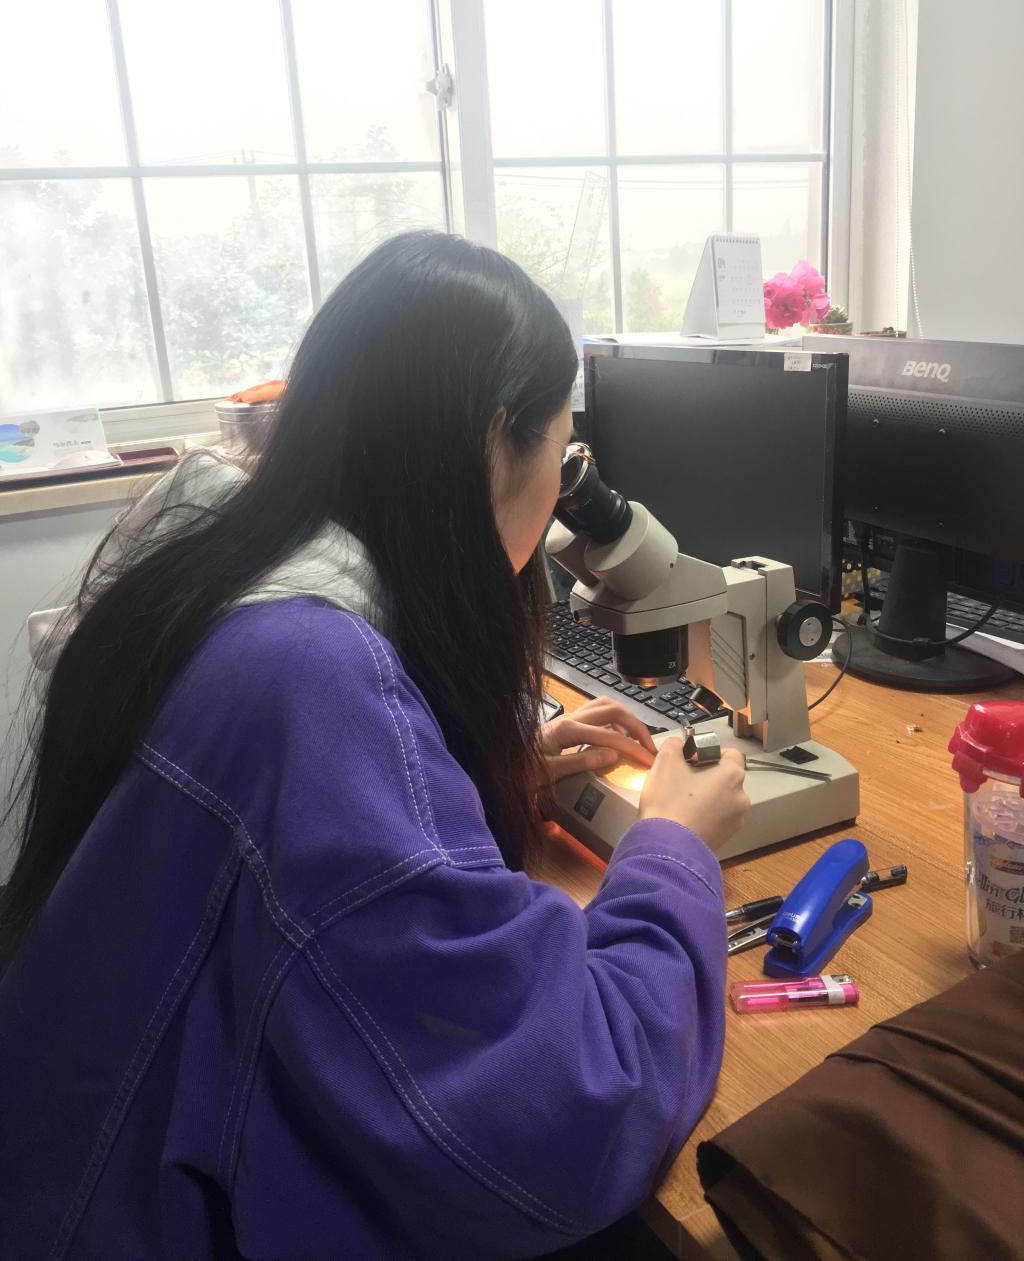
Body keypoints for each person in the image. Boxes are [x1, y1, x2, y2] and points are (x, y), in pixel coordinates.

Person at [0, 232, 749, 1260]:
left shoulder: (217, 565)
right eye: (564, 456)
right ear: (492, 442)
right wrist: (673, 847)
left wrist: (465, 771)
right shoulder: (309, 679)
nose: (564, 487)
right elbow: (566, 1110)